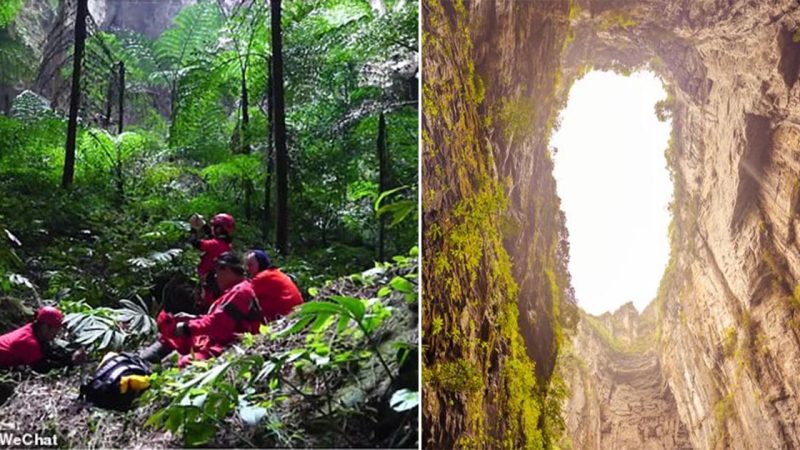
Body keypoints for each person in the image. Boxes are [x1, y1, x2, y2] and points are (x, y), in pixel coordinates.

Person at [141, 252, 261, 367]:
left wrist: (186, 327)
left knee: (186, 362)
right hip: (219, 341)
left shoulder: (241, 292)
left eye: (217, 271)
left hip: (230, 346)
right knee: (175, 338)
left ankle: (146, 365)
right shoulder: (236, 290)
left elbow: (218, 325)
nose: (215, 276)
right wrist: (189, 320)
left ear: (227, 270)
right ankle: (141, 361)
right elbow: (218, 319)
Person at [0, 306, 86, 372]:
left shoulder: (32, 330)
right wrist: (70, 362)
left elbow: (48, 353)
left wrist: (69, 356)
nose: (56, 334)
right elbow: (42, 367)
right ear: (45, 326)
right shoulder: (28, 341)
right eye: (55, 329)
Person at [189, 213, 235, 310]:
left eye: (214, 226)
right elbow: (212, 237)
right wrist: (204, 225)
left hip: (208, 287)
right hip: (215, 284)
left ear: (218, 229)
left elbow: (195, 242)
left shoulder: (215, 245)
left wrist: (193, 228)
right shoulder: (226, 244)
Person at [246, 250, 303, 323]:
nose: (247, 269)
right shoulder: (275, 273)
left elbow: (243, 294)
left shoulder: (262, 277)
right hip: (297, 315)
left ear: (260, 263)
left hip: (285, 319)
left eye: (250, 265)